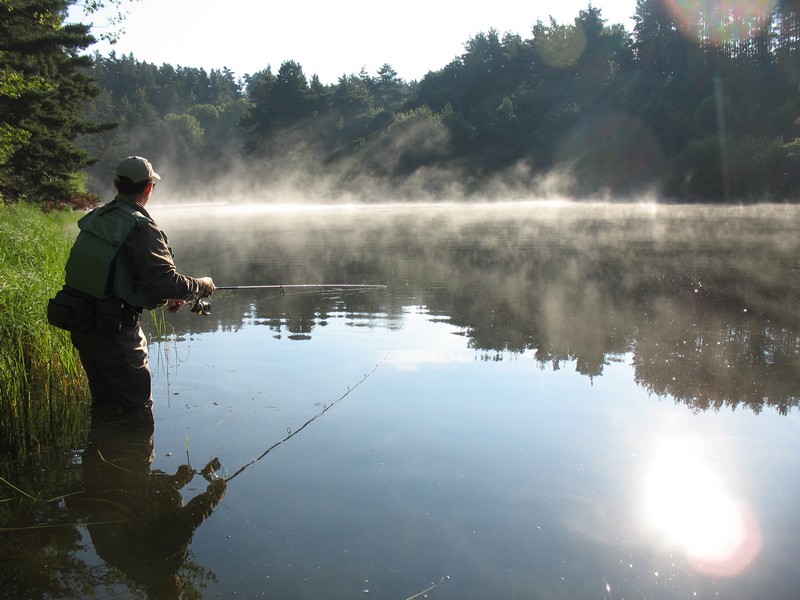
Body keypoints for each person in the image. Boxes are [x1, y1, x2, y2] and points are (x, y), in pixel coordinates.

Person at [54, 156, 215, 413]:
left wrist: (166, 295)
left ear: (116, 184)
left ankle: (103, 439)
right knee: (136, 411)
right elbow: (166, 282)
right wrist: (202, 286)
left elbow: (112, 271)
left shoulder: (99, 216)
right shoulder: (141, 227)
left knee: (105, 405)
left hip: (84, 324)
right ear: (149, 187)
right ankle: (134, 441)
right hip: (116, 331)